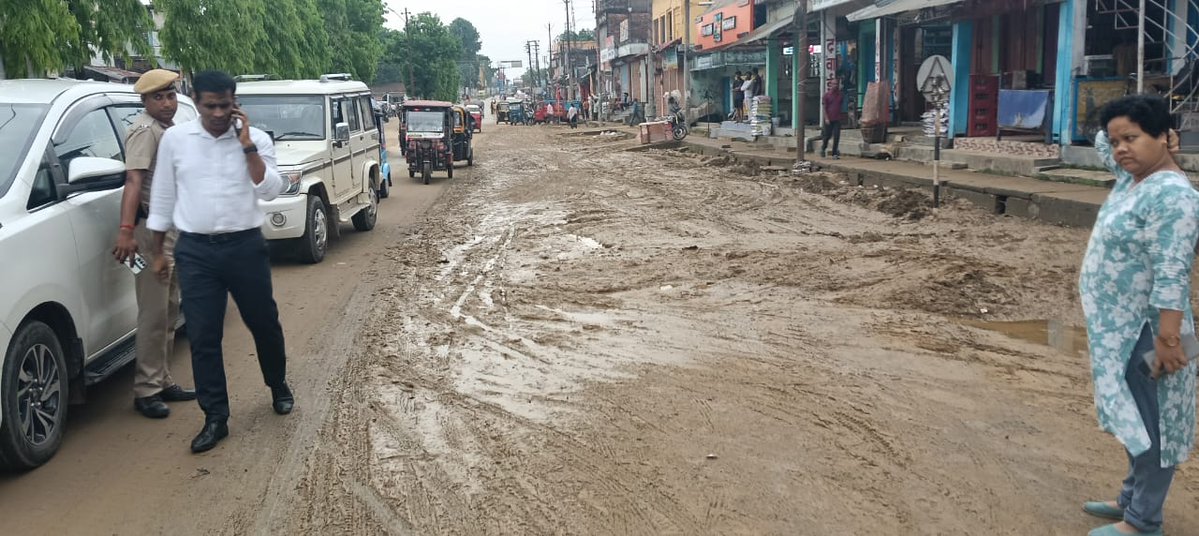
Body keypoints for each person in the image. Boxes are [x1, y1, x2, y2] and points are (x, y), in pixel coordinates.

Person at [147, 70, 295, 454]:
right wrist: (158, 252)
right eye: (210, 106)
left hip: (245, 247)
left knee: (263, 322)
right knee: (203, 336)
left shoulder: (257, 139)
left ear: (235, 103)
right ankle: (215, 417)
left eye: (225, 105)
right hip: (195, 252)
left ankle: (277, 384)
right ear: (195, 102)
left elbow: (271, 189)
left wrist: (247, 146)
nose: (217, 113)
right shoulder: (176, 140)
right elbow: (163, 196)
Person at [1078, 94, 1198, 536]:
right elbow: (1100, 138)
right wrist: (1121, 126)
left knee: (1155, 424)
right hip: (1122, 331)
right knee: (1134, 418)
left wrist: (1169, 341)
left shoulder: (1173, 195)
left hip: (1153, 333)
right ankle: (1131, 498)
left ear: (1163, 137)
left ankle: (1144, 521)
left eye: (1131, 138)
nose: (1120, 149)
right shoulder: (1133, 178)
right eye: (1116, 142)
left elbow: (1172, 272)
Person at [110, 69, 197, 419]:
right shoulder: (145, 131)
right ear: (144, 101)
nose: (167, 103)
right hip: (148, 233)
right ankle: (146, 390)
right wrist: (126, 230)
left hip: (170, 231)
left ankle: (162, 379)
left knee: (170, 309)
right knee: (153, 313)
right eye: (158, 97)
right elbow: (133, 181)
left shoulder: (167, 130)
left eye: (171, 95)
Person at [821, 79, 844, 159]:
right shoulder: (826, 95)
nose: (835, 85)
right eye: (834, 84)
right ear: (830, 85)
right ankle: (823, 148)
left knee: (837, 136)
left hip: (837, 119)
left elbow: (840, 106)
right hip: (829, 119)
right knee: (827, 135)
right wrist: (826, 118)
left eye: (836, 84)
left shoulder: (840, 95)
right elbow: (824, 108)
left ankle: (834, 153)